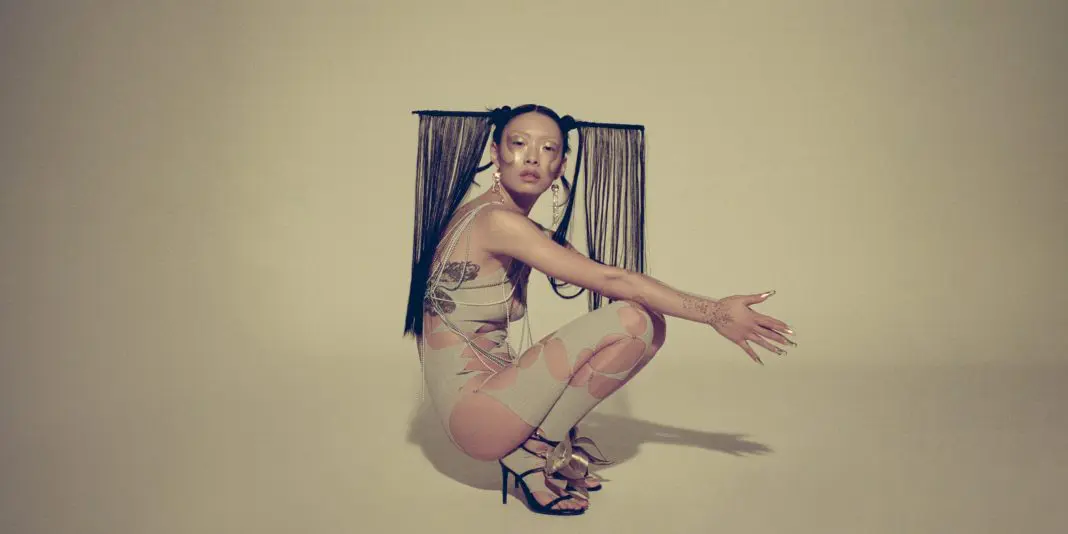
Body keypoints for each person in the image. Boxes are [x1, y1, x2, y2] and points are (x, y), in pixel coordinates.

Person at [404, 104, 796, 515]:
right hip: (477, 417)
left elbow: (604, 275)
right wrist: (715, 313)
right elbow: (613, 281)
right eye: (518, 144)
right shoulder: (498, 222)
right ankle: (532, 453)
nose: (532, 157)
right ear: (495, 153)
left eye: (548, 148)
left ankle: (533, 448)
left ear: (561, 165)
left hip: (493, 399)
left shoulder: (518, 227)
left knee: (649, 324)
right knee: (632, 320)